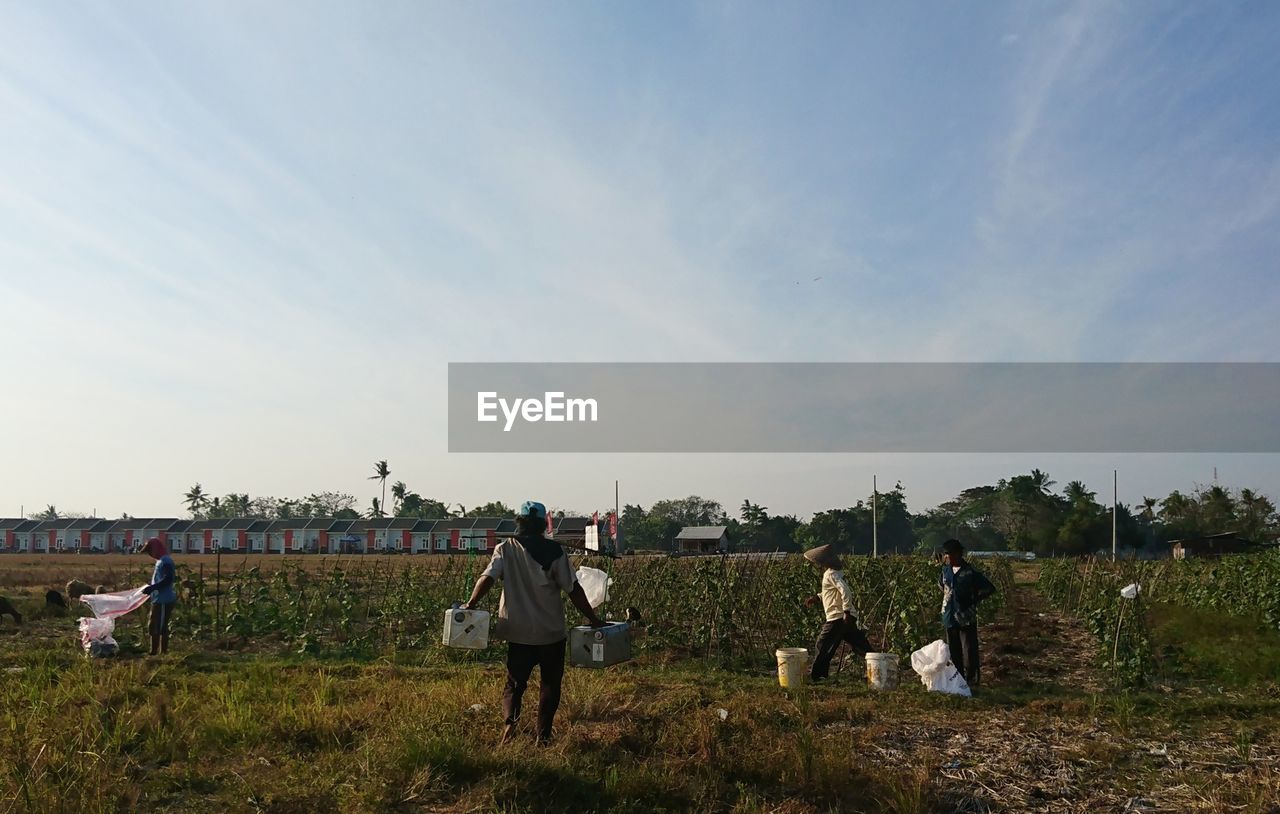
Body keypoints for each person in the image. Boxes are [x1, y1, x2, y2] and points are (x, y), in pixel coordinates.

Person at [464, 501, 606, 745]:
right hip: (550, 632)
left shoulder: (505, 549)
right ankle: (543, 736)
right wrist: (593, 619)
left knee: (514, 683)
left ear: (519, 522)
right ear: (543, 524)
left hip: (518, 632)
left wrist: (471, 604)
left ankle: (510, 722)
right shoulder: (555, 551)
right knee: (550, 684)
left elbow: (487, 578)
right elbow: (573, 589)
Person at [803, 544, 871, 682]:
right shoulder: (836, 573)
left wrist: (845, 610)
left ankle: (818, 676)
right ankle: (881, 665)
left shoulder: (831, 574)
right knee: (860, 645)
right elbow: (832, 593)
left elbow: (845, 591)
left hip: (838, 617)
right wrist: (818, 597)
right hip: (845, 617)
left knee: (823, 645)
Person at [939, 538, 996, 687]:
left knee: (969, 650)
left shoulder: (969, 572)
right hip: (949, 617)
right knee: (954, 651)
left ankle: (972, 681)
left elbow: (989, 588)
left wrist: (972, 600)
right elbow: (941, 585)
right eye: (945, 555)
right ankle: (958, 680)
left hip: (965, 617)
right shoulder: (945, 571)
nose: (946, 558)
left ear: (958, 554)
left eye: (949, 554)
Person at [140, 537, 177, 656]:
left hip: (163, 599)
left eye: (150, 551)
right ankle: (154, 651)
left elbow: (168, 579)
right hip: (158, 599)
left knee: (159, 626)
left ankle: (160, 652)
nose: (150, 554)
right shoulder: (160, 561)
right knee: (154, 625)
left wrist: (153, 588)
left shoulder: (165, 561)